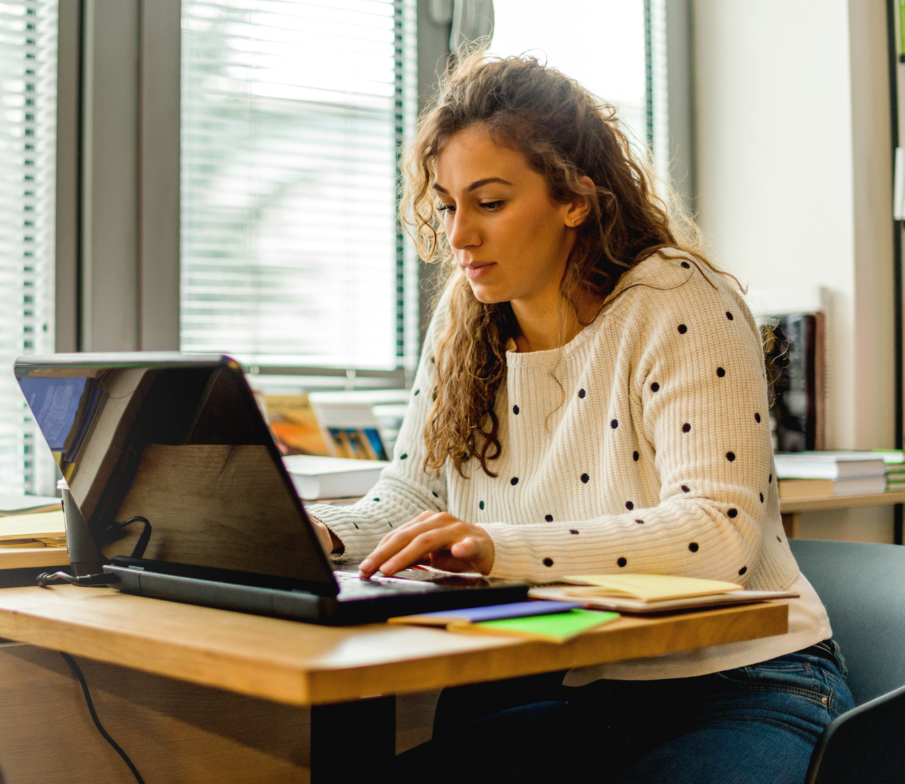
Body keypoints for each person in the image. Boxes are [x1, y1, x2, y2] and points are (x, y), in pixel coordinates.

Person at [306, 50, 853, 784]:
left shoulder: (674, 299)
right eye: (446, 204)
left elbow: (715, 534)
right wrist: (318, 536)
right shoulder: (467, 318)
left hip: (748, 686)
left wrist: (494, 548)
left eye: (489, 202)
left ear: (573, 198)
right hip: (595, 695)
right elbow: (413, 499)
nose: (459, 234)